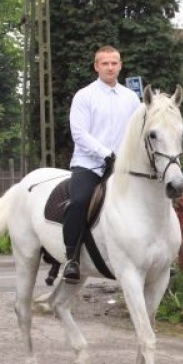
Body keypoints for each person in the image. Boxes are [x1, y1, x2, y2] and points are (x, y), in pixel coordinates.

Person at [62, 45, 141, 283]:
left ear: (120, 65)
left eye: (114, 63)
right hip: (90, 165)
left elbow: (137, 131)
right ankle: (72, 258)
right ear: (96, 66)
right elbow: (79, 133)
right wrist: (106, 154)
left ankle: (154, 258)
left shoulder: (131, 98)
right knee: (79, 201)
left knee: (146, 200)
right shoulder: (84, 96)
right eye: (105, 63)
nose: (110, 67)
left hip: (122, 166)